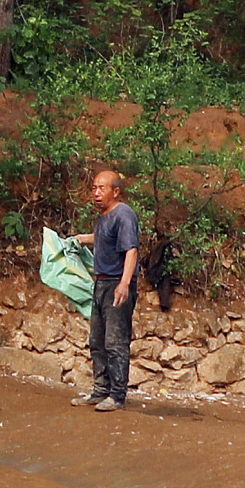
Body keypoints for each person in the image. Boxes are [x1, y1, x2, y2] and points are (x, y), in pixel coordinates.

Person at [71, 169, 139, 412]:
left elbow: (131, 250)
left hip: (116, 284)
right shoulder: (105, 217)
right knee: (97, 341)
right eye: (94, 188)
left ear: (116, 191)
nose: (96, 193)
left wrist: (125, 283)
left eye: (102, 188)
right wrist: (82, 239)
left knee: (115, 342)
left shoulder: (124, 215)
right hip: (100, 284)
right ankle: (100, 391)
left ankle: (117, 396)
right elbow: (104, 238)